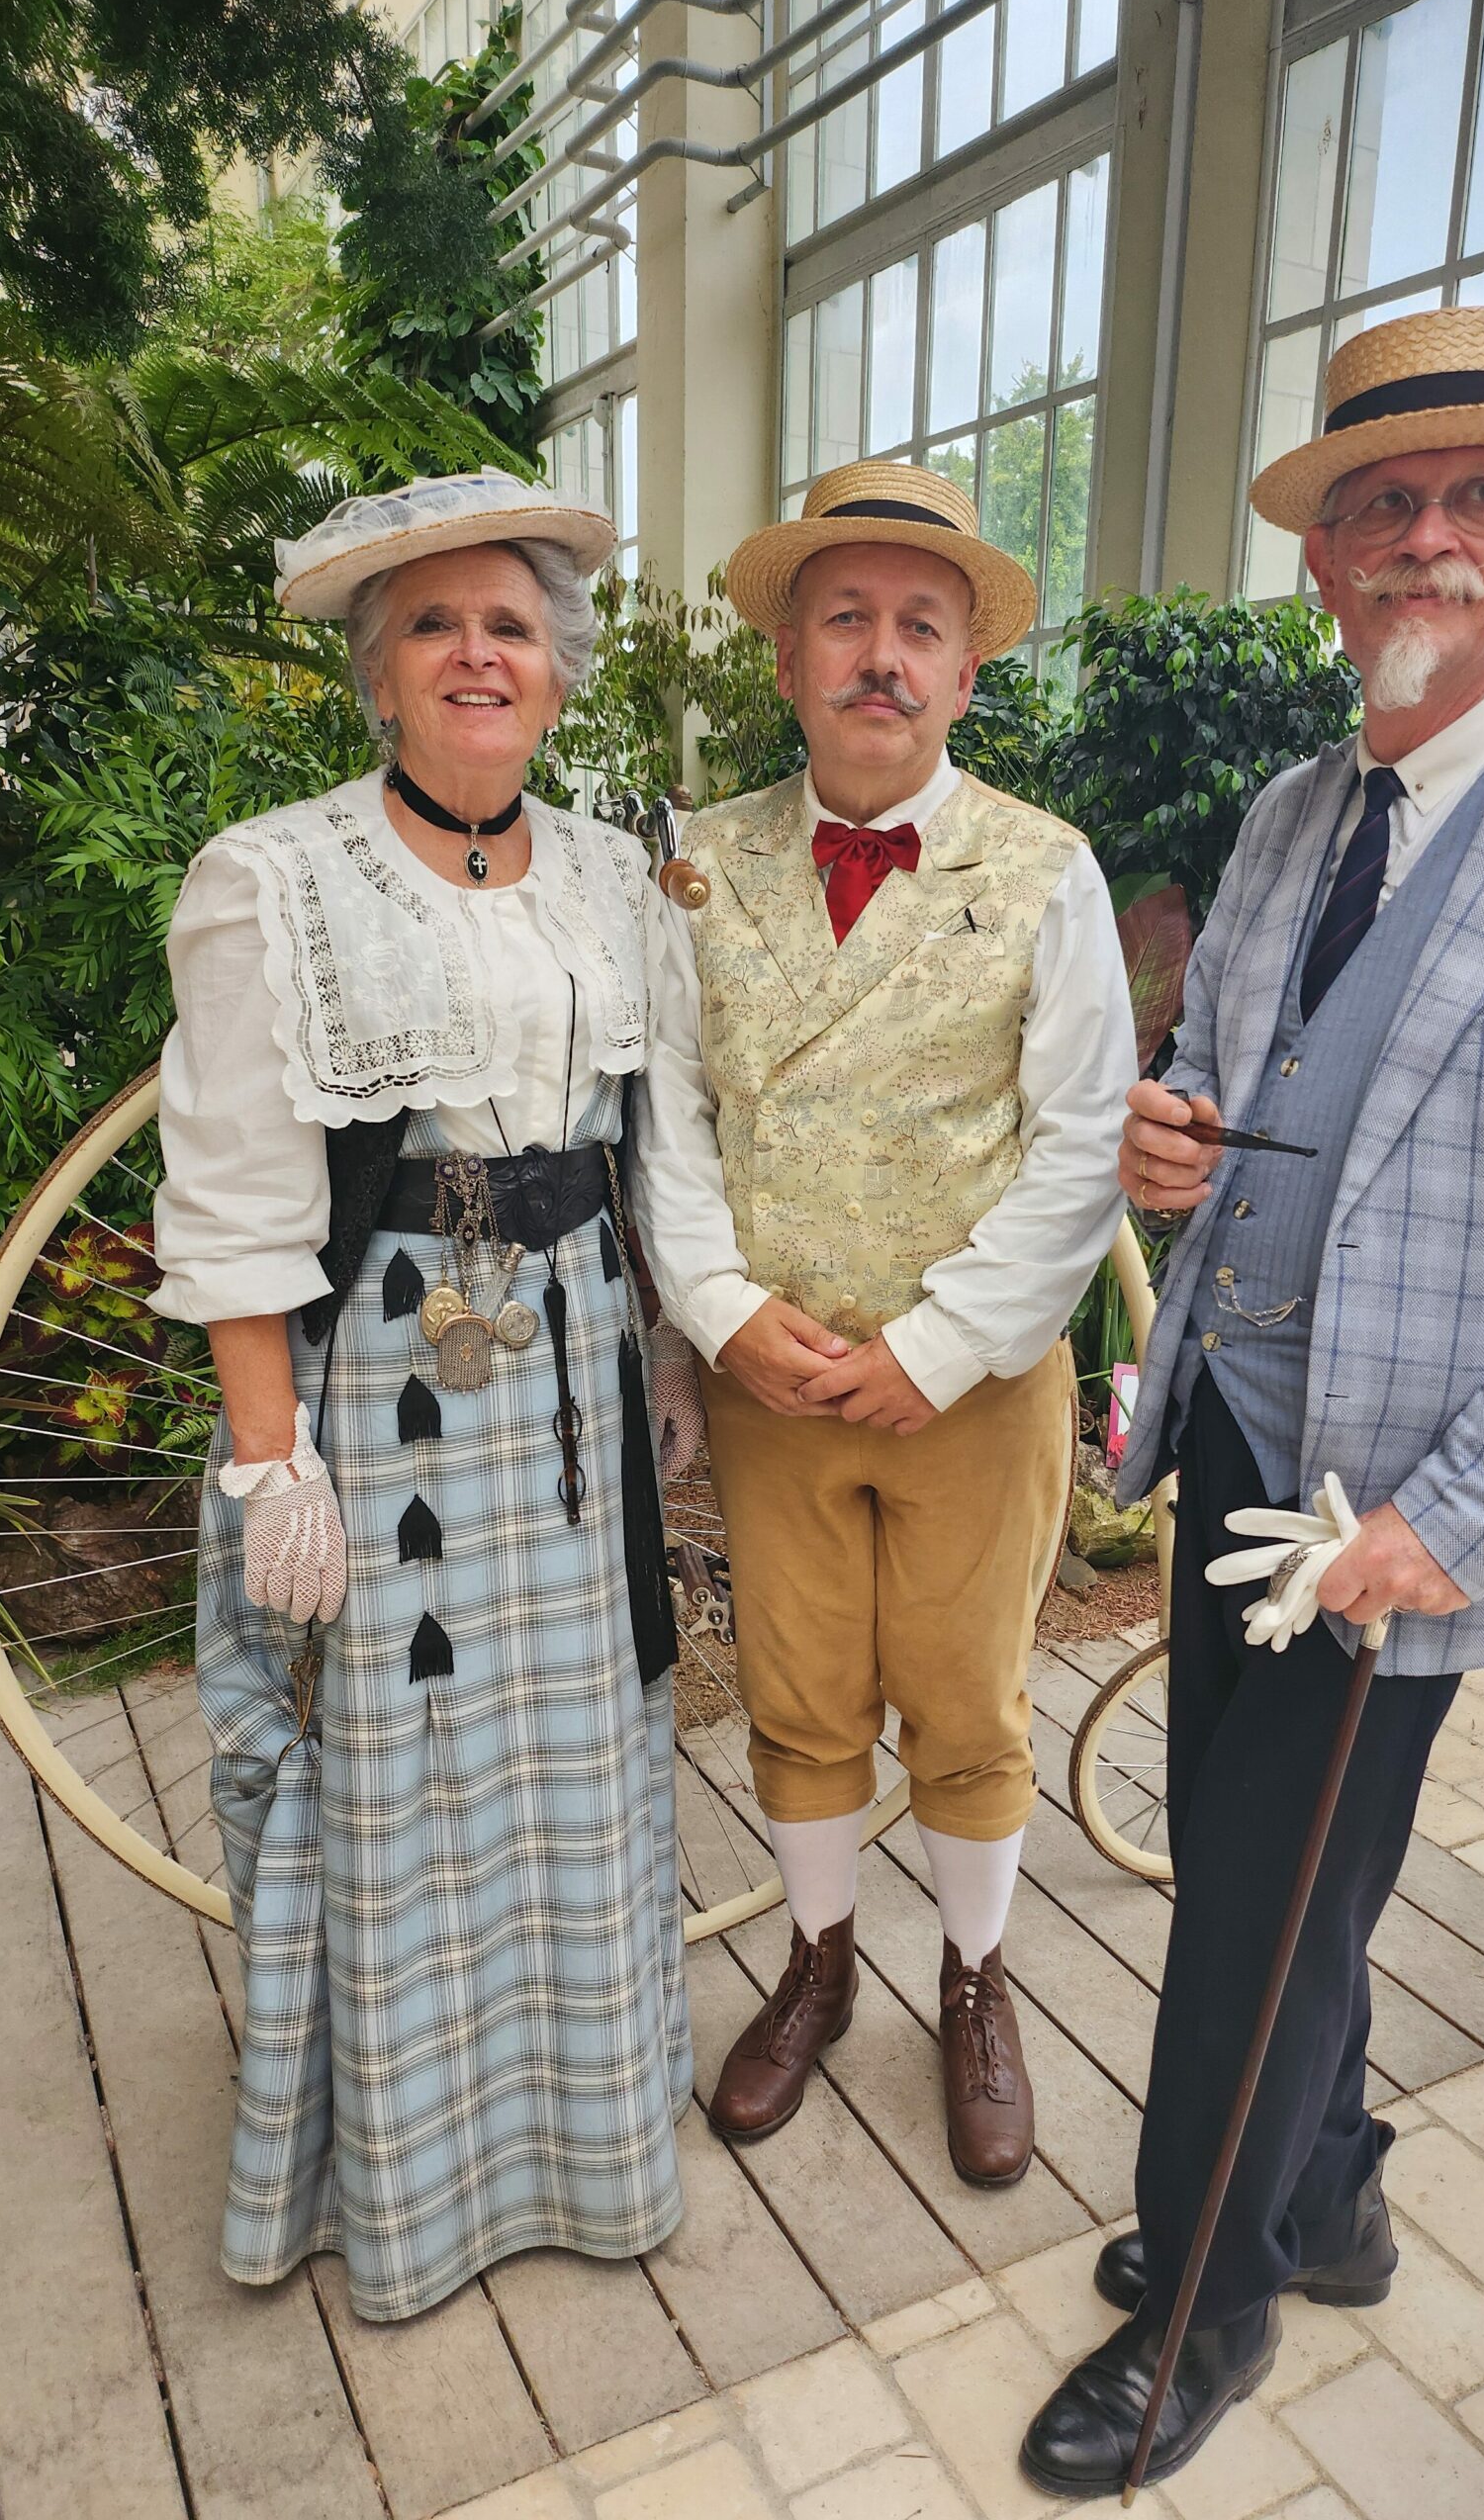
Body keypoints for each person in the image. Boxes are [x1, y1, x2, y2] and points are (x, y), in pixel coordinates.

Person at [1020, 307, 1484, 2494]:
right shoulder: (1288, 812)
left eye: (1475, 499)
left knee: (1255, 1909)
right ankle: (1328, 2190)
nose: (1425, 537)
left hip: (1404, 1493)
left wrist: (1464, 1514)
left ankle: (1205, 2298)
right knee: (1268, 1867)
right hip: (1238, 1432)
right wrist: (1170, 1129)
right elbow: (1230, 1067)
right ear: (1329, 559)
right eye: (1382, 503)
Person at [149, 469, 698, 2323]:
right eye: (438, 627)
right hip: (385, 1387)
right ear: (378, 675)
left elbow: (652, 1148)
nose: (479, 655)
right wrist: (270, 1466)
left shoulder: (614, 877)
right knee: (402, 1777)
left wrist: (670, 1354)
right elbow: (233, 1201)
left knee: (578, 1769)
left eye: (512, 627)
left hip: (577, 1392)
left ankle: (588, 2150)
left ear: (559, 673)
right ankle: (408, 2192)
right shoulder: (275, 879)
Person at [632, 460, 1136, 2185]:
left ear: (965, 673)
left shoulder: (1047, 870)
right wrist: (718, 1310)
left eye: (920, 626)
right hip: (772, 1378)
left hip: (971, 1386)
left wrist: (938, 1348)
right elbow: (669, 1115)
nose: (881, 655)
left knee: (969, 1699)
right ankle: (819, 1958)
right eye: (844, 618)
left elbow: (1083, 1143)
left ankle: (975, 1978)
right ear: (787, 657)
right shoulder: (696, 869)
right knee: (798, 1690)